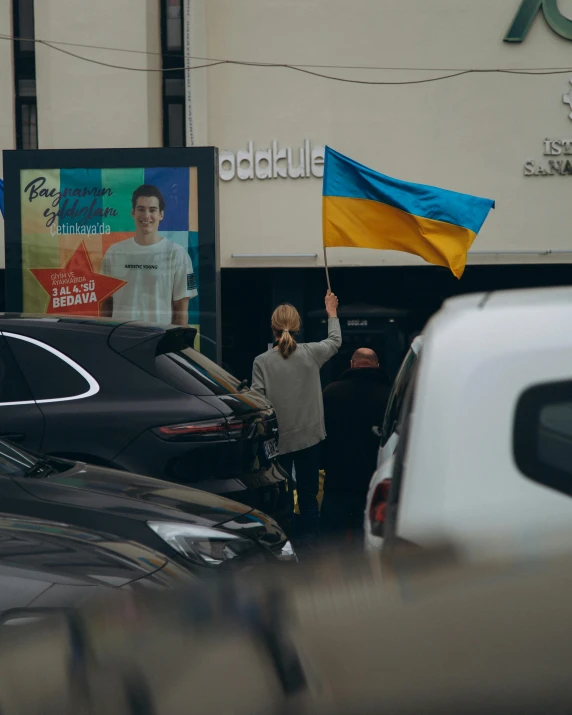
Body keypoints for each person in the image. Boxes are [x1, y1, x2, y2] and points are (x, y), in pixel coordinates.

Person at [252, 291, 341, 550]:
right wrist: (331, 312)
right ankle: (311, 547)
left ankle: (285, 545)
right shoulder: (311, 353)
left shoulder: (261, 362)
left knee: (281, 497)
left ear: (273, 328)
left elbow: (259, 402)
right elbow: (335, 341)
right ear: (298, 326)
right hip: (310, 437)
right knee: (308, 496)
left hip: (278, 441)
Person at [101, 184, 197, 325]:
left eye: (152, 210)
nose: (146, 216)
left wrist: (175, 346)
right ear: (133, 212)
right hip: (120, 341)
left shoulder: (177, 254)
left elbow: (181, 311)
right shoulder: (114, 252)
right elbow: (107, 304)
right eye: (141, 209)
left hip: (159, 342)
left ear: (161, 214)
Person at [321, 348, 391, 541]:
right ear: (377, 366)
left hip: (338, 481)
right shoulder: (389, 396)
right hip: (374, 482)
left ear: (351, 365)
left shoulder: (330, 393)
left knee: (332, 545)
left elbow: (320, 436)